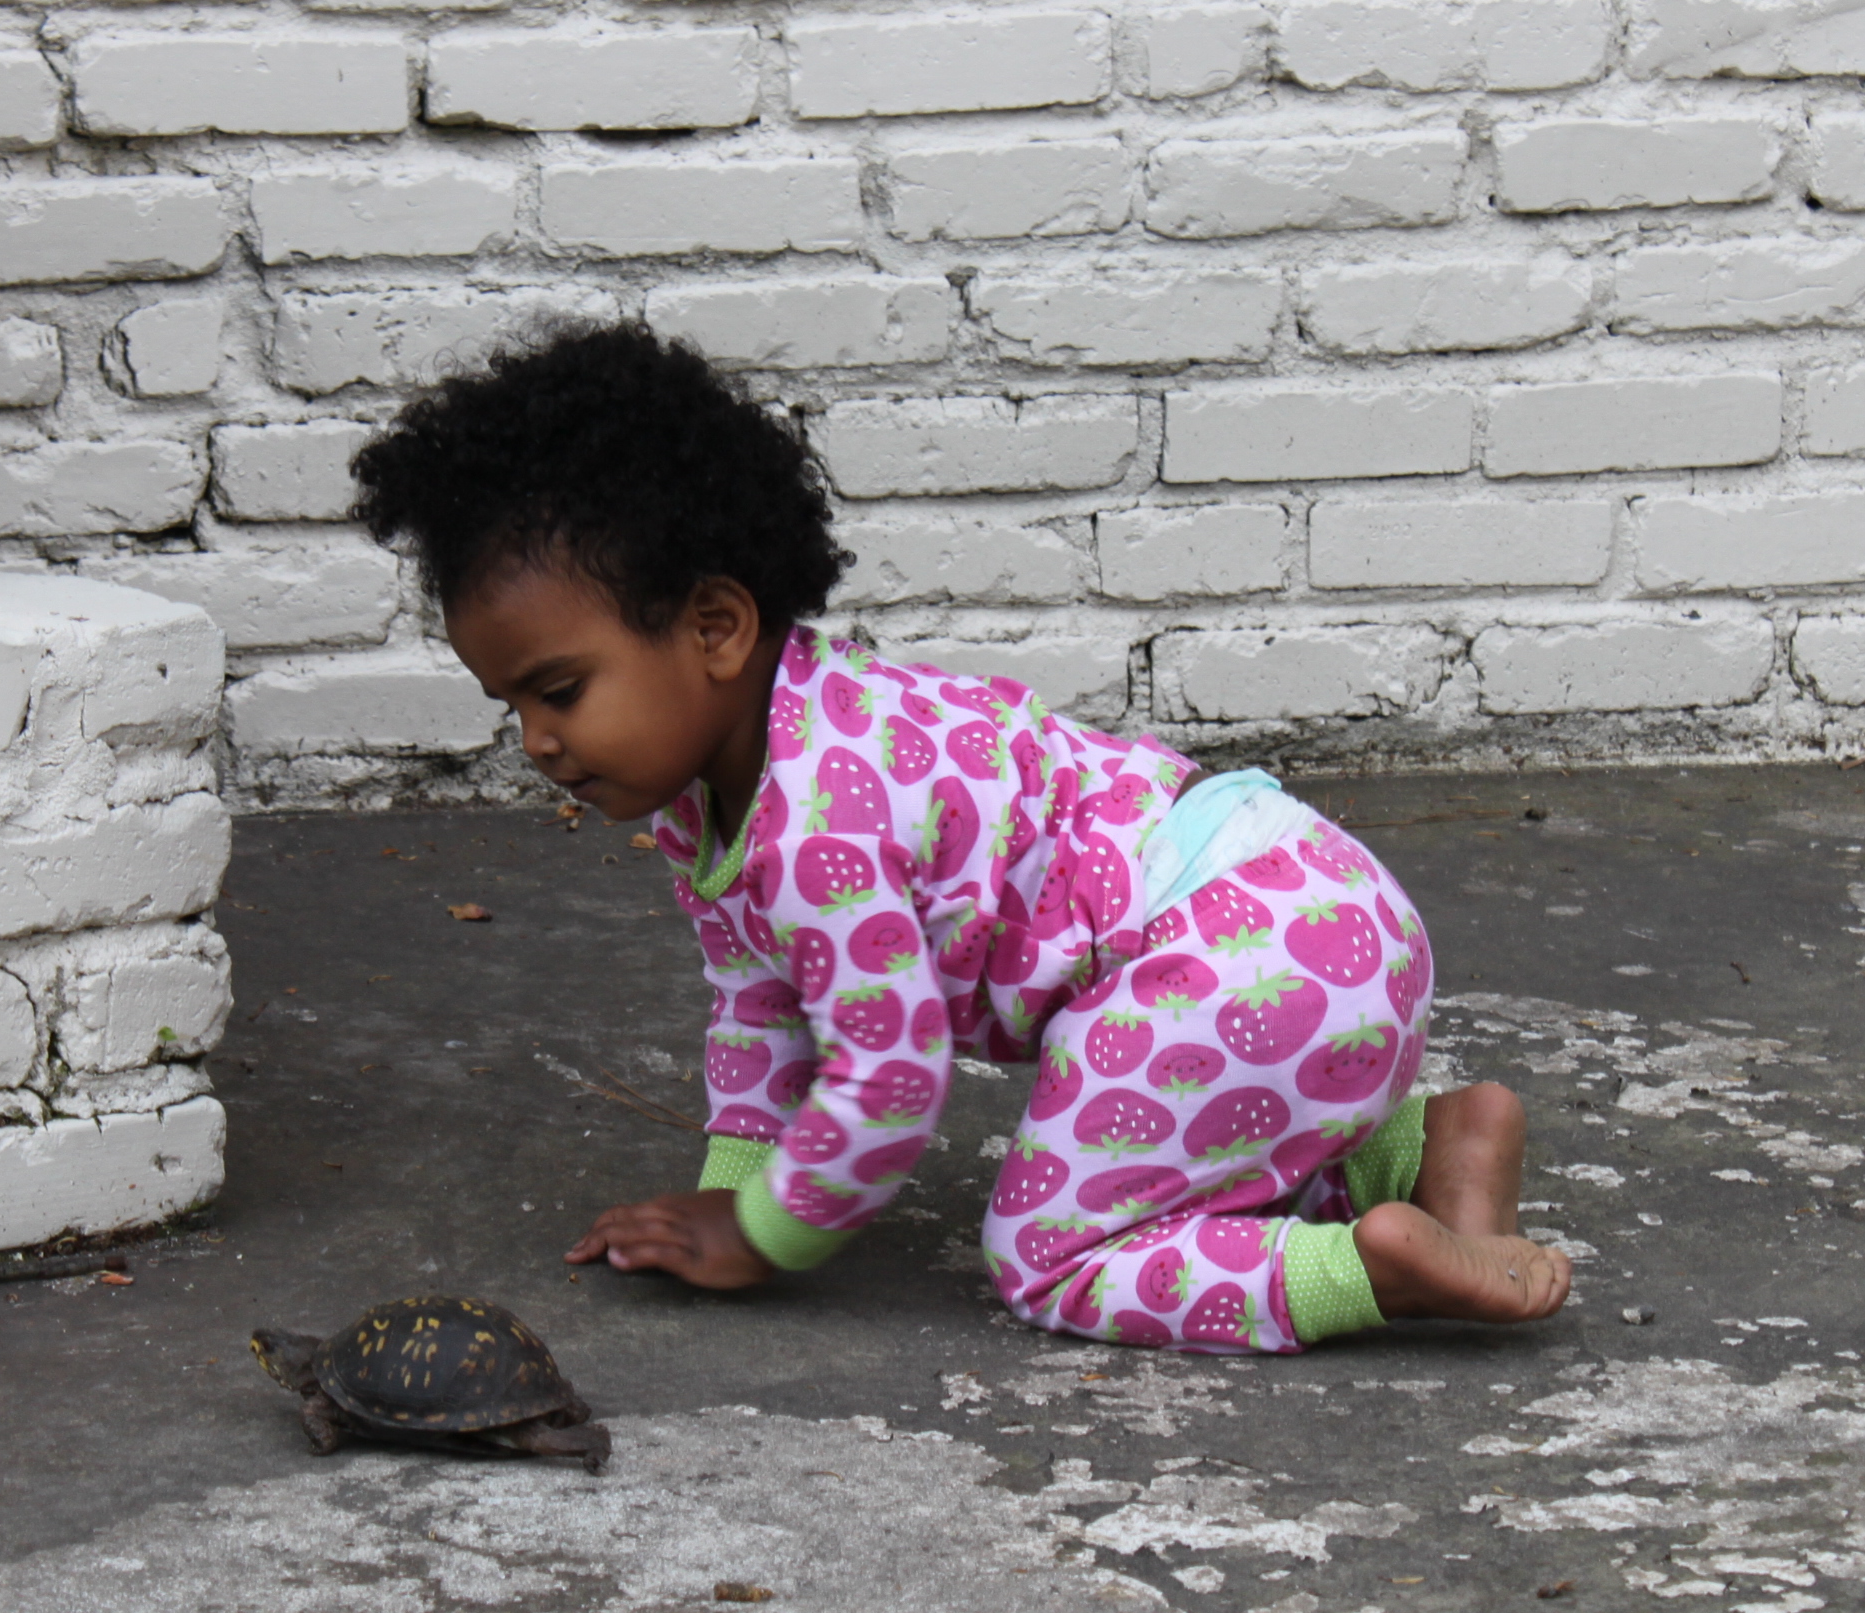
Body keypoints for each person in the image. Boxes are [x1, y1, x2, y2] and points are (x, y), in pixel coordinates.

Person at [347, 322, 1569, 1353]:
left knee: (1047, 1258)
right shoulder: (739, 772)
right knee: (1183, 1123)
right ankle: (1428, 1152)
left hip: (1232, 954)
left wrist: (764, 1233)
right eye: (510, 706)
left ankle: (1370, 1271)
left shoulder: (816, 821)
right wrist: (730, 1196)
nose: (538, 742)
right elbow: (763, 1000)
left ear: (716, 627)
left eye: (560, 691)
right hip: (1311, 918)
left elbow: (889, 1071)